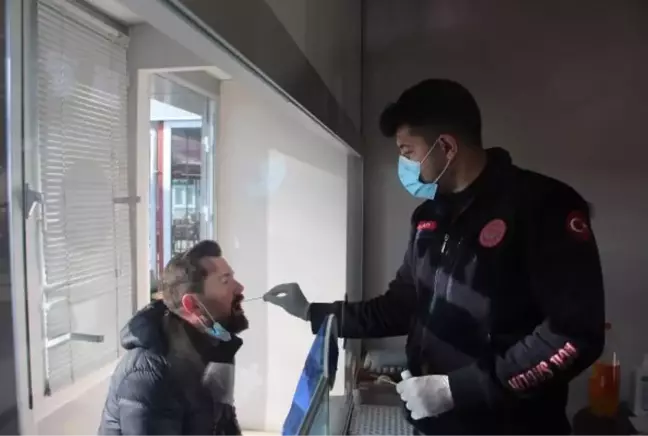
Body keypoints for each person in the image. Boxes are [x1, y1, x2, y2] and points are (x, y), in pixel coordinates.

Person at [263, 79, 605, 436]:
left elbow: (574, 335)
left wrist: (458, 389)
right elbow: (399, 306)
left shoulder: (542, 206)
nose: (404, 165)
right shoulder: (430, 218)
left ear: (445, 146)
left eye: (408, 152)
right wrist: (312, 312)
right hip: (434, 424)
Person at [98, 240, 248, 436]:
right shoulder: (149, 374)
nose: (240, 288)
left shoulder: (217, 347)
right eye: (225, 281)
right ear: (193, 305)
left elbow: (224, 422)